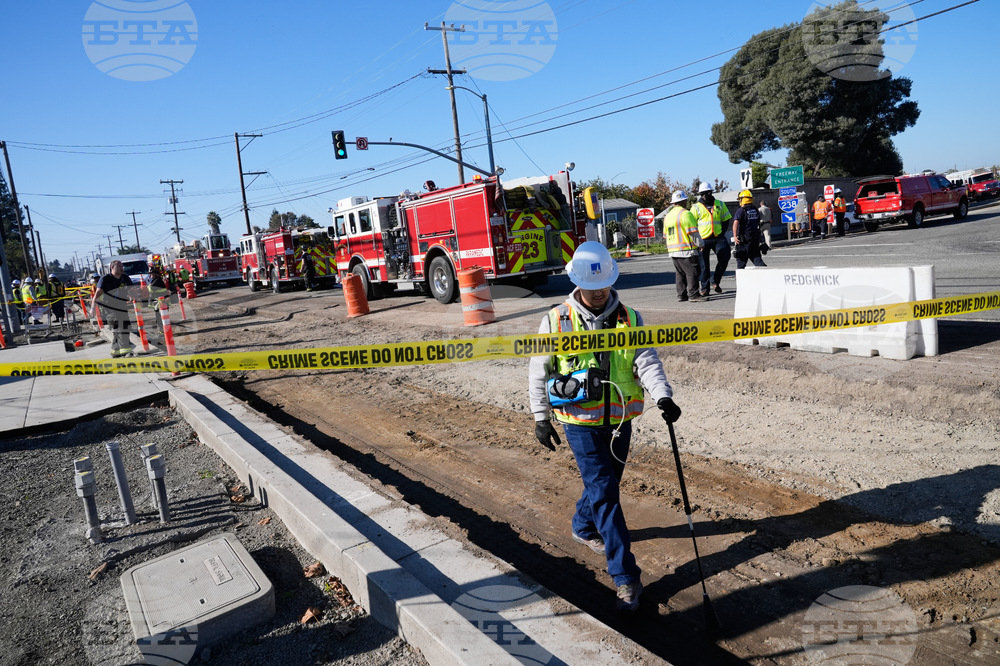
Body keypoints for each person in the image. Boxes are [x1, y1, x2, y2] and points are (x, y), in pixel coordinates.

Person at [528, 241, 682, 613]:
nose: (597, 294)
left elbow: (646, 359)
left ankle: (582, 526)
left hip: (619, 420)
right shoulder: (556, 319)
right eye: (589, 287)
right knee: (606, 492)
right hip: (578, 422)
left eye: (603, 286)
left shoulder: (630, 317)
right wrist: (540, 416)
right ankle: (625, 576)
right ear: (577, 282)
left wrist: (663, 395)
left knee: (606, 483)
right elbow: (539, 368)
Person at [690, 182, 732, 296]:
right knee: (704, 265)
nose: (704, 196)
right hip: (703, 239)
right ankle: (705, 288)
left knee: (725, 257)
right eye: (702, 194)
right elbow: (692, 225)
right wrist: (697, 241)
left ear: (711, 192)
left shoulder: (720, 204)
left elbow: (726, 219)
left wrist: (722, 233)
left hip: (718, 237)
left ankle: (715, 280)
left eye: (706, 193)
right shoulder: (695, 207)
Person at [663, 191, 704, 302]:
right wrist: (700, 244)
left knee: (680, 273)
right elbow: (693, 233)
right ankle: (693, 295)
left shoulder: (668, 216)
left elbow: (665, 235)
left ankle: (681, 295)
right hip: (686, 249)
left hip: (673, 250)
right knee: (692, 272)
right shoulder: (686, 214)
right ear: (683, 201)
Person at [91, 260, 136, 358]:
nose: (121, 268)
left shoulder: (125, 278)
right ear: (112, 267)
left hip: (122, 306)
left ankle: (115, 351)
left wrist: (137, 298)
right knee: (121, 326)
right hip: (110, 308)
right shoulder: (105, 279)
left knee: (121, 328)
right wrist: (93, 307)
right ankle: (126, 351)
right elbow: (97, 294)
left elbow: (131, 290)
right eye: (119, 266)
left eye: (122, 266)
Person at [732, 190, 767, 269]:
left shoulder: (740, 211)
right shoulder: (755, 209)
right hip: (754, 238)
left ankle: (741, 279)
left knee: (741, 262)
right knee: (757, 258)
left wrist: (735, 236)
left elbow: (735, 224)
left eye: (740, 199)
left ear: (743, 200)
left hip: (744, 240)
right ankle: (765, 275)